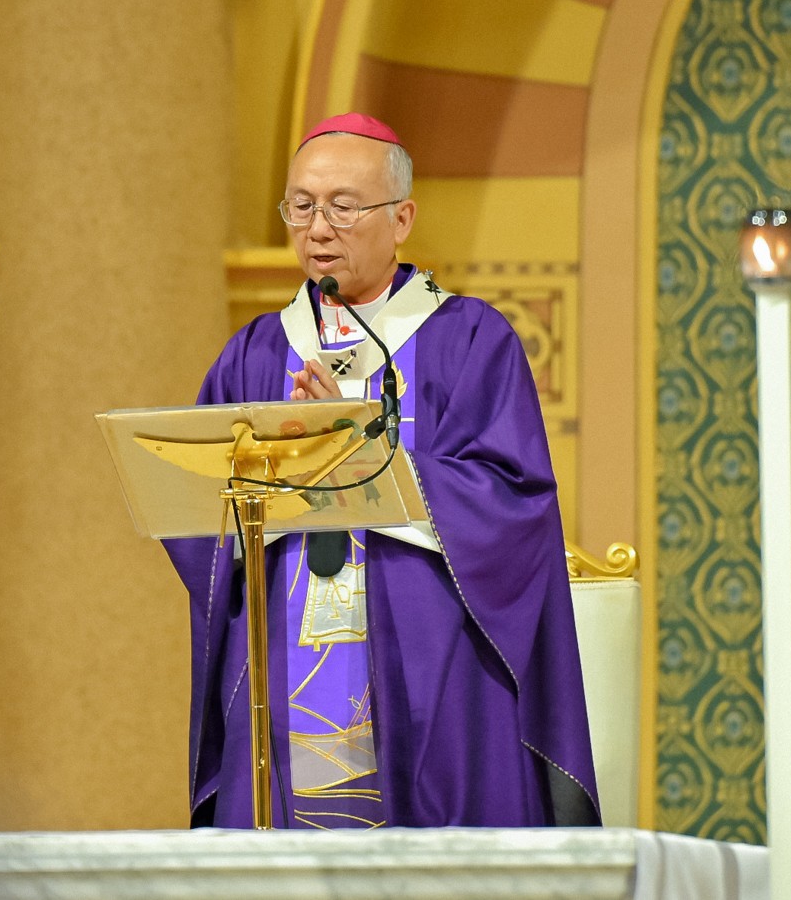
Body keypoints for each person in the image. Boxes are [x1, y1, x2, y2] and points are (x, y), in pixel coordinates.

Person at [167, 113, 597, 828]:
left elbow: (513, 503)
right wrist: (275, 480)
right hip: (281, 673)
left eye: (343, 206)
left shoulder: (470, 340)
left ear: (402, 219)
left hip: (433, 678)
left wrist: (361, 455)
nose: (318, 228)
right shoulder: (254, 353)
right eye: (301, 206)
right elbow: (197, 514)